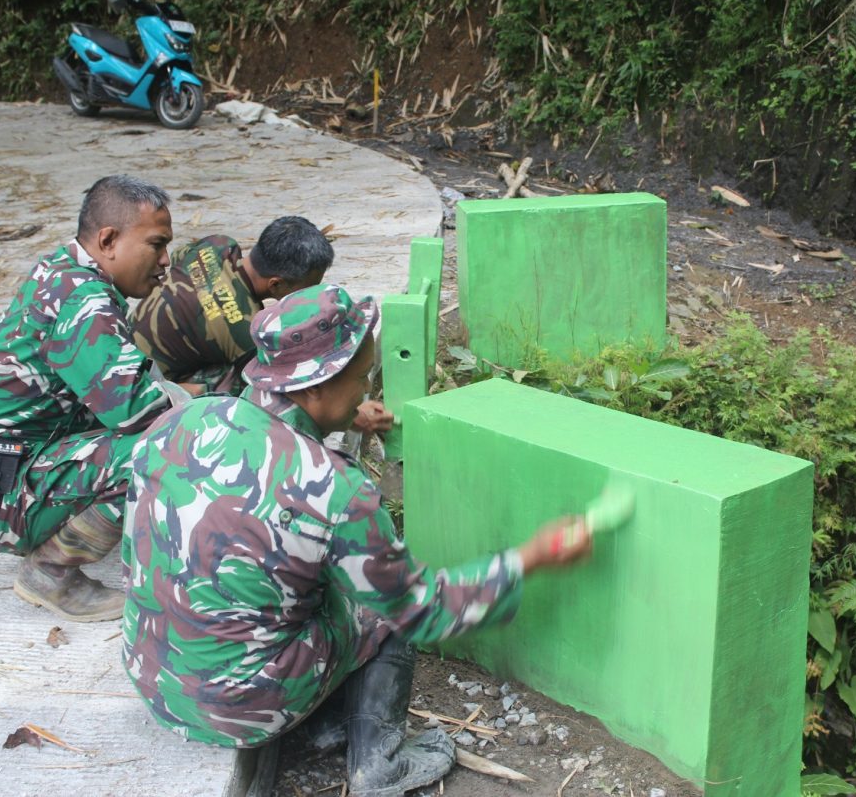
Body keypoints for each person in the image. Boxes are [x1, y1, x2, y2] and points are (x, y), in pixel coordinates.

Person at [122, 284, 591, 797]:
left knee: (307, 570)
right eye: (363, 377)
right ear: (317, 386)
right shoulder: (336, 490)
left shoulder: (186, 419)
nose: (368, 390)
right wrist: (530, 558)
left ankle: (324, 722)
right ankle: (379, 767)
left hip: (155, 677)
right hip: (239, 709)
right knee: (380, 603)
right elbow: (424, 610)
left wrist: (342, 419)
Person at [0, 174, 174, 622]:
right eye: (157, 245)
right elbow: (139, 409)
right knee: (161, 447)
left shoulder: (66, 270)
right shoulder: (82, 300)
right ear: (108, 240)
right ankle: (49, 573)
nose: (166, 261)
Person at [130, 216, 392, 434]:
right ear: (276, 284)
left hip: (130, 338)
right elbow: (285, 390)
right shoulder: (243, 331)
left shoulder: (217, 245)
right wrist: (354, 417)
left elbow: (180, 257)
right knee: (238, 382)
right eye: (308, 287)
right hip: (145, 385)